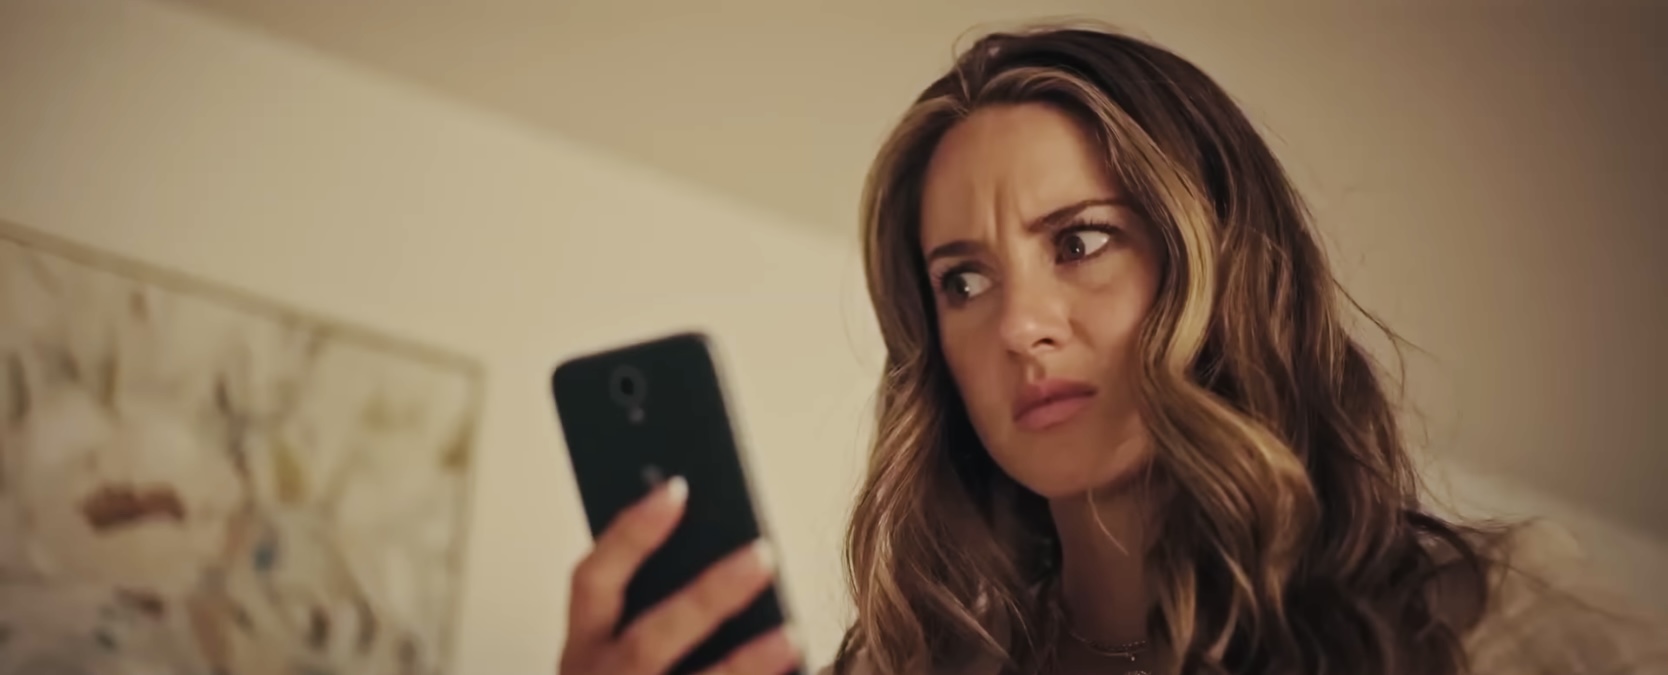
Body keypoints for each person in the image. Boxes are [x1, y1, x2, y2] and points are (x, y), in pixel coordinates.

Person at [556, 24, 1668, 675]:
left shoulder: (1490, 622)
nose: (1018, 324)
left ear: (1219, 260)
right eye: (962, 281)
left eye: (1080, 241)